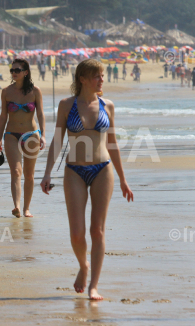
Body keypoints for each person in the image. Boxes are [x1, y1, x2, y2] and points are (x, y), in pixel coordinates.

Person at [40, 59, 133, 300]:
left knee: (97, 231)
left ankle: (94, 286)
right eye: (96, 76)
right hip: (74, 171)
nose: (101, 79)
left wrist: (123, 179)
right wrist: (48, 172)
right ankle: (83, 266)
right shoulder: (66, 105)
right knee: (77, 234)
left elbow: (112, 143)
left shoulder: (108, 105)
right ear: (82, 79)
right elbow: (57, 140)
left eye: (102, 75)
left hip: (103, 170)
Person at [0, 58, 45, 218]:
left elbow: (40, 114)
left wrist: (43, 135)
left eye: (17, 70)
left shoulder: (35, 91)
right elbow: (3, 116)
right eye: (12, 70)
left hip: (31, 135)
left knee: (29, 174)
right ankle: (16, 206)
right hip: (11, 135)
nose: (14, 73)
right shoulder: (6, 92)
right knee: (16, 171)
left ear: (26, 72)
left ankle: (26, 209)